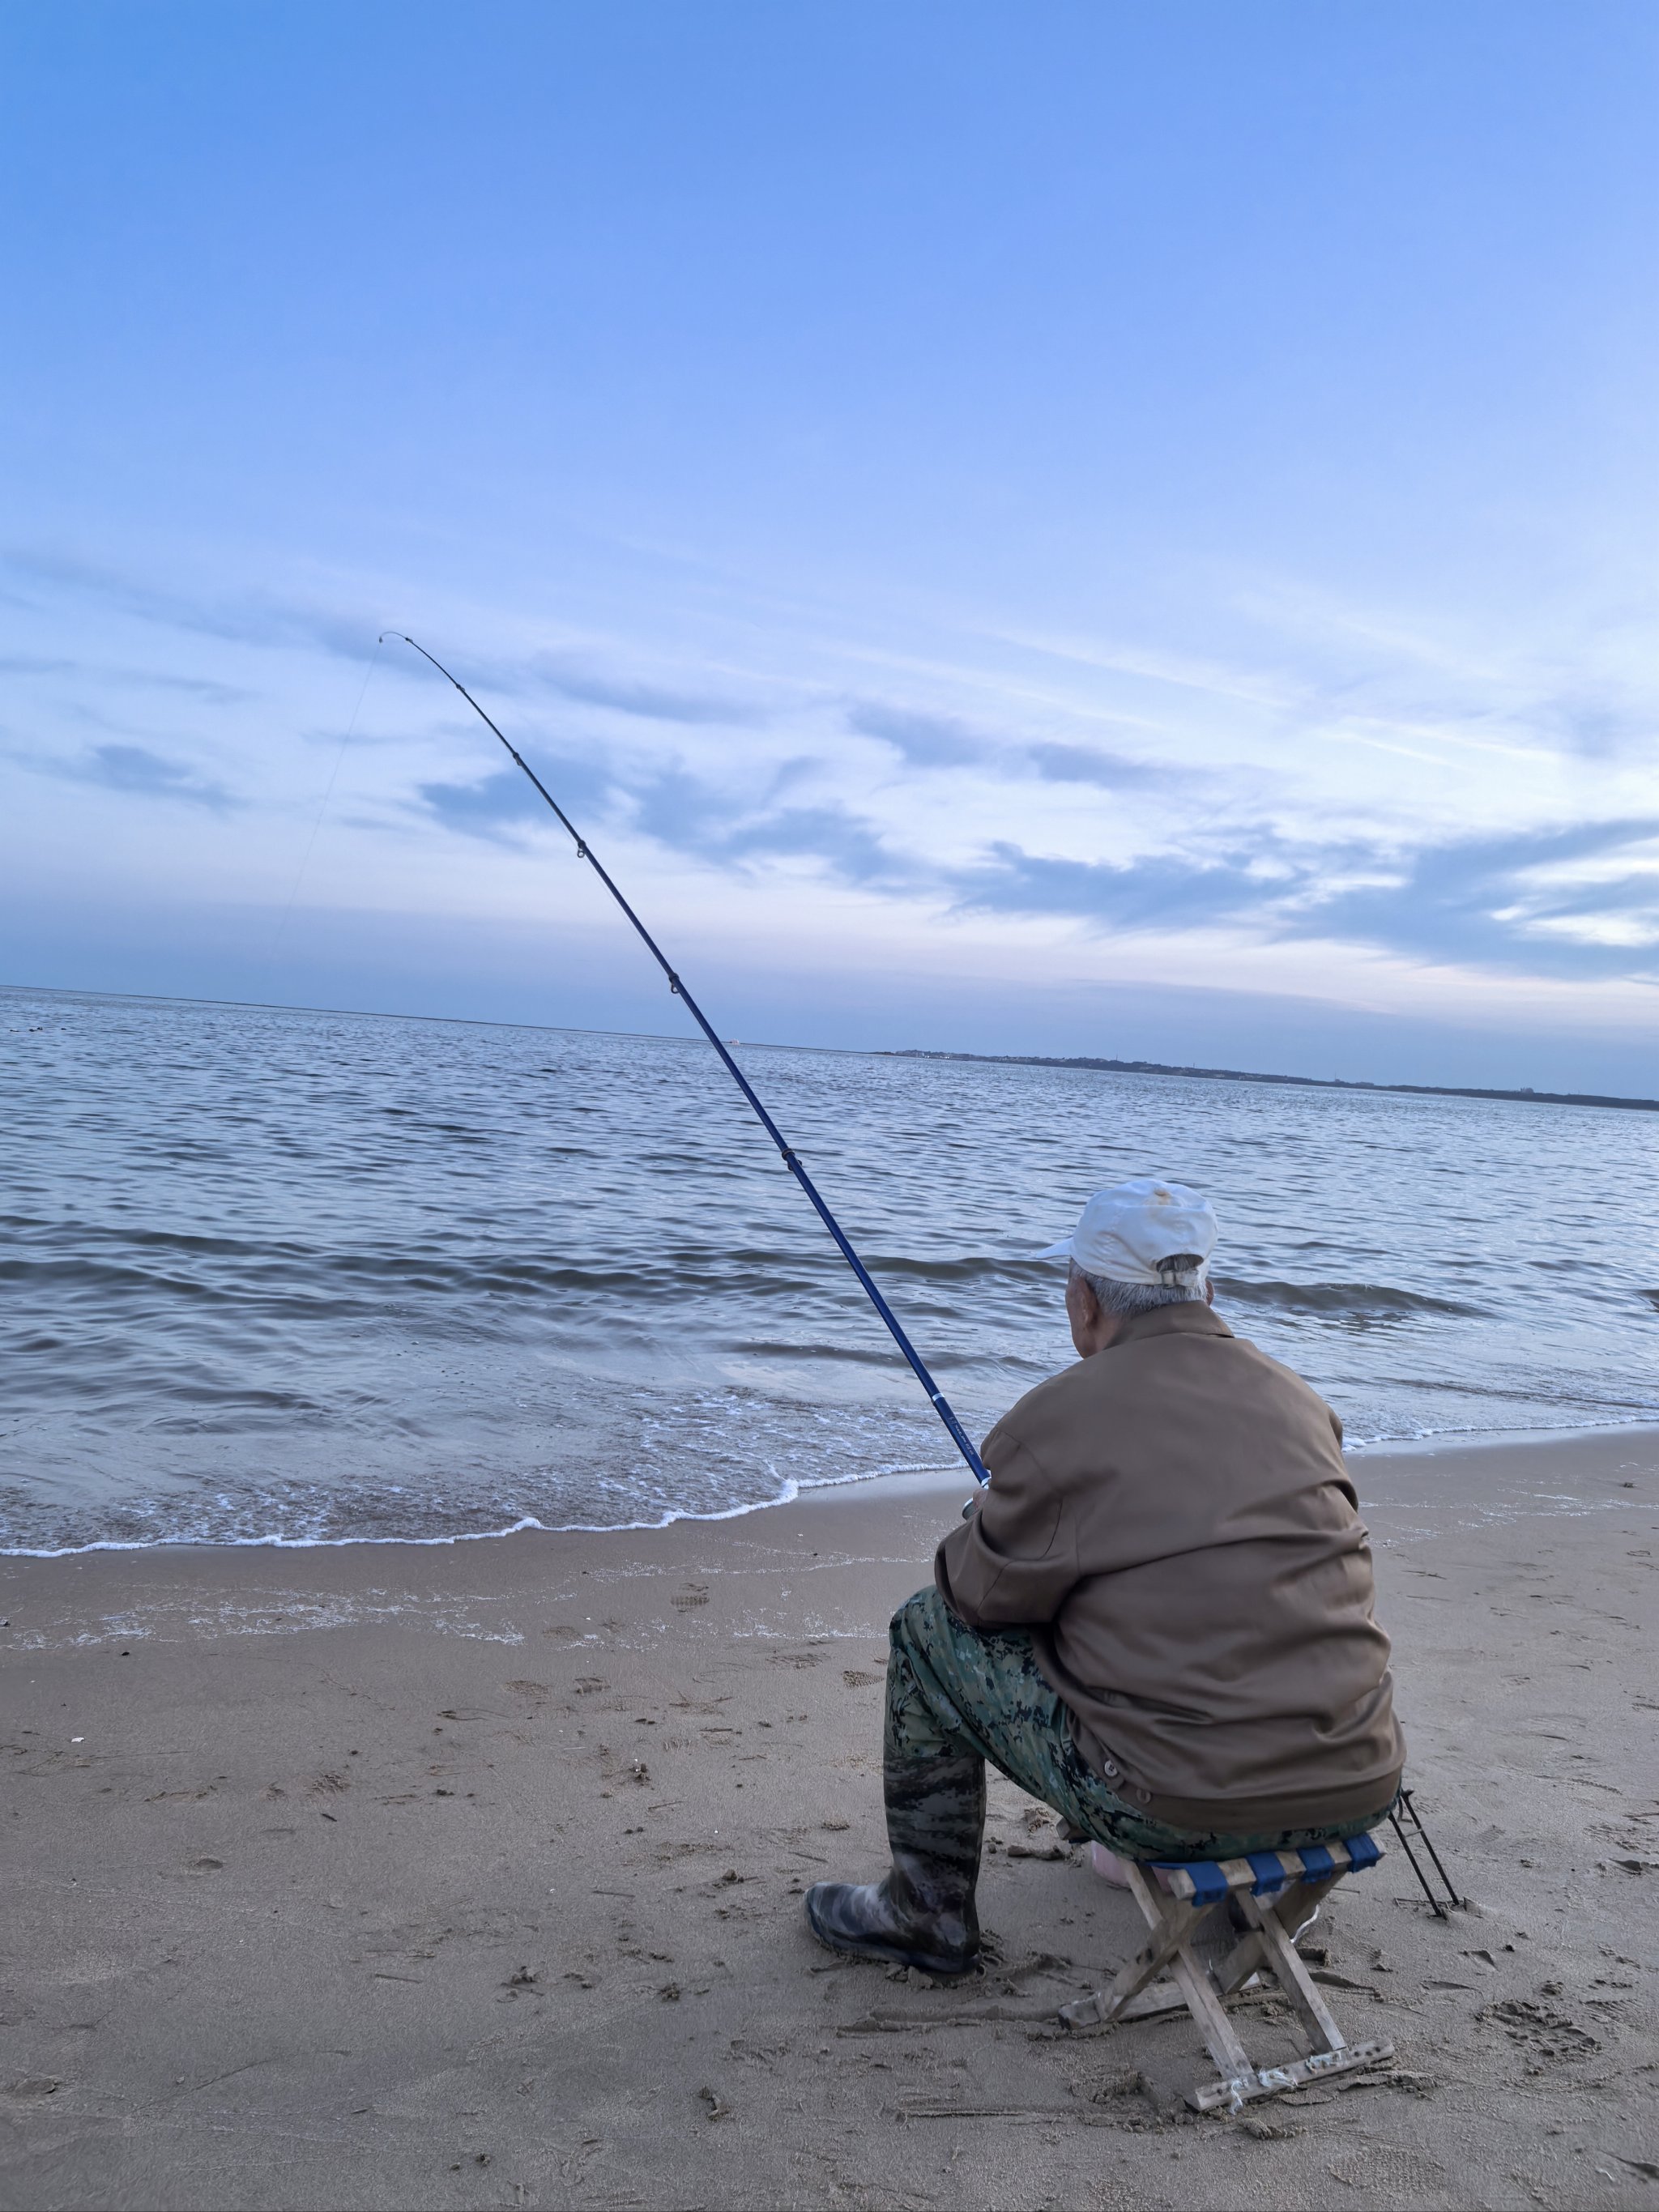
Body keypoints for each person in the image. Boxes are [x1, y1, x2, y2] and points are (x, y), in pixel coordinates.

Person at [804, 1176, 1405, 1978]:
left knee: (922, 1632)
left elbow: (969, 1598)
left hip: (1180, 1805)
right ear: (1207, 1290)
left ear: (1083, 1301)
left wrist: (989, 1522)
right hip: (1358, 1786)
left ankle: (926, 1911)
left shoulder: (1059, 1416)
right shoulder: (1301, 1402)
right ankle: (1245, 1891)